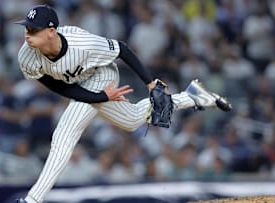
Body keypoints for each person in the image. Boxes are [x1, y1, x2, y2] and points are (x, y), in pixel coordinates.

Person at [15, 5, 231, 203]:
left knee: (65, 133)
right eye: (27, 28)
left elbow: (122, 49)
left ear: (52, 31)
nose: (28, 33)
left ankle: (32, 200)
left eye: (34, 29)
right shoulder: (27, 55)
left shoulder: (81, 43)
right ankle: (192, 96)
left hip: (102, 74)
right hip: (84, 86)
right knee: (133, 120)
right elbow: (59, 87)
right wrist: (100, 97)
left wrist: (149, 83)